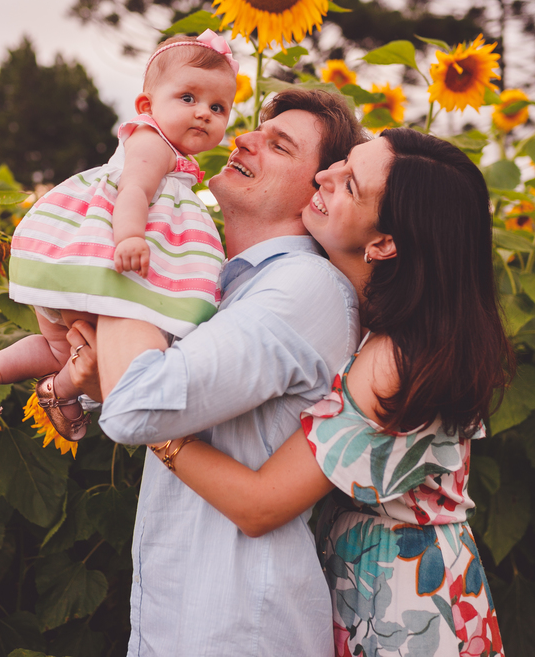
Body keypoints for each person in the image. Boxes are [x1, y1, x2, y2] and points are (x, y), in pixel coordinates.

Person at [90, 128, 515, 657]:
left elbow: (259, 505)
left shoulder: (393, 358)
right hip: (391, 579)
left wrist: (155, 421)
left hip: (404, 605)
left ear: (384, 244)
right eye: (341, 162)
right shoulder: (396, 325)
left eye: (350, 184)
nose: (324, 176)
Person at [66, 87, 366, 656]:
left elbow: (134, 404)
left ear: (318, 192)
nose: (243, 139)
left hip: (240, 626)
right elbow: (100, 387)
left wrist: (127, 262)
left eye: (279, 145)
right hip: (178, 618)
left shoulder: (303, 287)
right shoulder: (218, 285)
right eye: (255, 129)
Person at [0, 30, 239, 439]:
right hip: (108, 264)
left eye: (218, 107)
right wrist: (130, 238)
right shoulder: (154, 144)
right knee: (108, 346)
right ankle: (61, 392)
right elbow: (134, 191)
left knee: (60, 349)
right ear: (147, 106)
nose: (203, 113)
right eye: (187, 98)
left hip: (78, 263)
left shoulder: (163, 150)